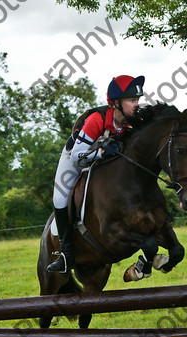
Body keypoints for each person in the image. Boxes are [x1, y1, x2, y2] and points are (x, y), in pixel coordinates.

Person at [47, 74, 145, 274]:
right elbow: (77, 157)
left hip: (104, 161)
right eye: (132, 100)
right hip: (75, 157)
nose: (137, 104)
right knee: (60, 198)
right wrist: (100, 153)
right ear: (116, 103)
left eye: (137, 100)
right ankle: (65, 254)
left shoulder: (135, 121)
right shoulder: (96, 120)